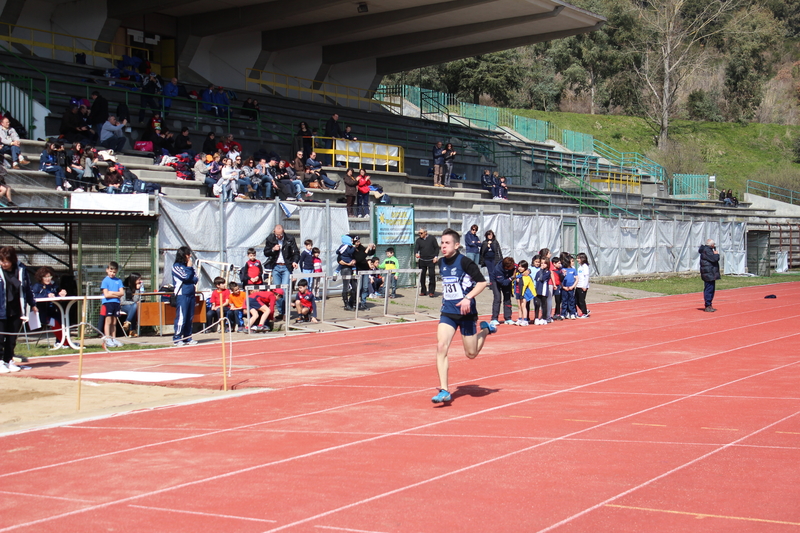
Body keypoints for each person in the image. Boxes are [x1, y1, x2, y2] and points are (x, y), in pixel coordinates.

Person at [431, 228, 496, 404]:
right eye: (442, 243)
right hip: (448, 313)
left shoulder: (466, 262)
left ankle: (485, 331)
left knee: (471, 354)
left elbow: (483, 282)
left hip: (466, 313)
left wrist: (468, 297)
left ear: (456, 245)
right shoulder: (442, 263)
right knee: (441, 346)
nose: (443, 246)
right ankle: (444, 390)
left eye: (447, 243)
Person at [0, 246, 36, 373]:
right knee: (0, 336)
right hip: (1, 308)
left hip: (16, 308)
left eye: (6, 261)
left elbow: (27, 288)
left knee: (12, 337)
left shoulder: (21, 269)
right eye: (1, 261)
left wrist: (32, 304)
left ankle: (8, 360)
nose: (3, 264)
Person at [263, 224, 300, 314]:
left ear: (283, 232)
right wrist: (273, 249)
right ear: (274, 232)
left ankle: (286, 311)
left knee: (284, 289)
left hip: (286, 266)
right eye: (277, 235)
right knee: (276, 290)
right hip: (275, 266)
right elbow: (266, 252)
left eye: (281, 235)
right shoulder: (270, 239)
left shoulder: (289, 239)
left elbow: (296, 253)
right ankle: (281, 311)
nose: (279, 237)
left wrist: (294, 261)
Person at [172, 246, 199, 346]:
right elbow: (185, 277)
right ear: (183, 255)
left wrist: (190, 269)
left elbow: (195, 278)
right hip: (182, 295)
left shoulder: (190, 266)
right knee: (181, 317)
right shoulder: (176, 266)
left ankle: (188, 337)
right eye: (188, 254)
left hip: (191, 294)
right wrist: (188, 268)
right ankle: (177, 337)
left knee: (189, 317)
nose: (190, 256)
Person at [31, 266, 66, 333]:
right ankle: (63, 342)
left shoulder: (54, 286)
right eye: (45, 277)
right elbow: (33, 296)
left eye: (49, 277)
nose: (48, 279)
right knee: (55, 322)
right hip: (41, 313)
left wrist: (61, 294)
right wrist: (46, 295)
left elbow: (55, 296)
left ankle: (61, 341)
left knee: (63, 320)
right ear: (41, 278)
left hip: (52, 311)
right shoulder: (37, 286)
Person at [99, 261, 124, 348]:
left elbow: (121, 293)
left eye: (114, 272)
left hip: (116, 303)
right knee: (108, 321)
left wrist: (112, 292)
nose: (112, 273)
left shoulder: (118, 281)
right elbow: (106, 294)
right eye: (111, 271)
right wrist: (115, 293)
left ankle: (114, 338)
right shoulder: (105, 281)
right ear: (107, 270)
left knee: (114, 322)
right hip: (107, 303)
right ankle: (108, 338)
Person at [489, 256, 515, 326]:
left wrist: (528, 271)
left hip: (507, 279)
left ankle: (508, 318)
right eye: (511, 266)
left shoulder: (514, 265)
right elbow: (503, 283)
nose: (513, 267)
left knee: (507, 298)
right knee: (497, 298)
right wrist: (512, 277)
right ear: (506, 267)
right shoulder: (498, 269)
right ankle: (494, 319)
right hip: (496, 281)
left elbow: (523, 267)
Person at [352, 235, 376, 310]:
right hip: (359, 270)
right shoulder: (353, 249)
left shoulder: (361, 247)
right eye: (357, 241)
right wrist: (368, 248)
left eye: (359, 241)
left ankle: (363, 303)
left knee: (365, 287)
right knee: (359, 287)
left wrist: (372, 249)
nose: (359, 243)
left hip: (365, 269)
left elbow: (368, 253)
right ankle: (355, 302)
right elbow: (360, 258)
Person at [414, 227, 439, 297]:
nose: (420, 234)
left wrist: (436, 257)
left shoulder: (432, 238)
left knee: (432, 275)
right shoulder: (418, 240)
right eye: (419, 233)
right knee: (422, 276)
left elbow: (436, 248)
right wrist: (416, 253)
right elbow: (416, 248)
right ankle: (423, 291)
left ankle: (431, 291)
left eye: (421, 233)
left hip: (431, 260)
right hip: (422, 260)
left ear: (425, 233)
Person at [699, 239, 720, 312]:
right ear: (711, 245)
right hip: (708, 272)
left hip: (710, 272)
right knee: (709, 289)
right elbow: (715, 259)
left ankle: (709, 304)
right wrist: (716, 254)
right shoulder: (707, 250)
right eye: (714, 244)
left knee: (711, 288)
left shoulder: (707, 250)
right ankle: (708, 305)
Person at [336, 234, 357, 310]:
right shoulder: (344, 247)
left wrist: (354, 261)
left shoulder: (353, 248)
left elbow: (359, 256)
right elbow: (339, 259)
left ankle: (354, 303)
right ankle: (346, 304)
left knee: (354, 286)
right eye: (351, 240)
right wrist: (347, 263)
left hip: (353, 268)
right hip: (345, 268)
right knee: (346, 286)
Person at [120, 272, 142, 337]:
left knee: (134, 307)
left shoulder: (136, 287)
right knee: (134, 306)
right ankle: (132, 330)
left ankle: (127, 323)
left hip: (132, 306)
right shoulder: (124, 287)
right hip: (123, 306)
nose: (140, 281)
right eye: (138, 279)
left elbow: (136, 299)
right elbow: (122, 301)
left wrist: (137, 289)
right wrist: (132, 303)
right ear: (134, 279)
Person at [513, 260, 535, 326]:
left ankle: (525, 319)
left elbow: (528, 285)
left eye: (522, 267)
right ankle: (520, 318)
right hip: (518, 292)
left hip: (524, 293)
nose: (520, 268)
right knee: (519, 306)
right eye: (519, 266)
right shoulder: (517, 274)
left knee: (523, 306)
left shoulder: (527, 276)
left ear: (525, 268)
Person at [533, 257, 551, 325]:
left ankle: (544, 318)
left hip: (544, 291)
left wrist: (542, 270)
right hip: (538, 290)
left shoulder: (547, 272)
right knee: (537, 304)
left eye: (544, 263)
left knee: (544, 305)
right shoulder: (538, 272)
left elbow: (542, 278)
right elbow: (536, 279)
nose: (542, 265)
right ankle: (536, 318)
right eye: (542, 263)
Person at [561, 255, 578, 319]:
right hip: (564, 288)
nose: (573, 262)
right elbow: (560, 280)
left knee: (571, 301)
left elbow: (577, 279)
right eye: (572, 261)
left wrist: (573, 286)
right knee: (564, 301)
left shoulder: (573, 270)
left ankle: (572, 313)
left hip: (571, 288)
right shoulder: (563, 269)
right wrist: (563, 287)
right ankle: (563, 313)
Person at [575, 252, 591, 318]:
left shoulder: (585, 266)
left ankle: (584, 313)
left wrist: (585, 286)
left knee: (581, 300)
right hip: (578, 285)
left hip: (582, 286)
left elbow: (586, 277)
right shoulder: (580, 266)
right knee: (576, 300)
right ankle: (585, 310)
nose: (577, 260)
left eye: (578, 258)